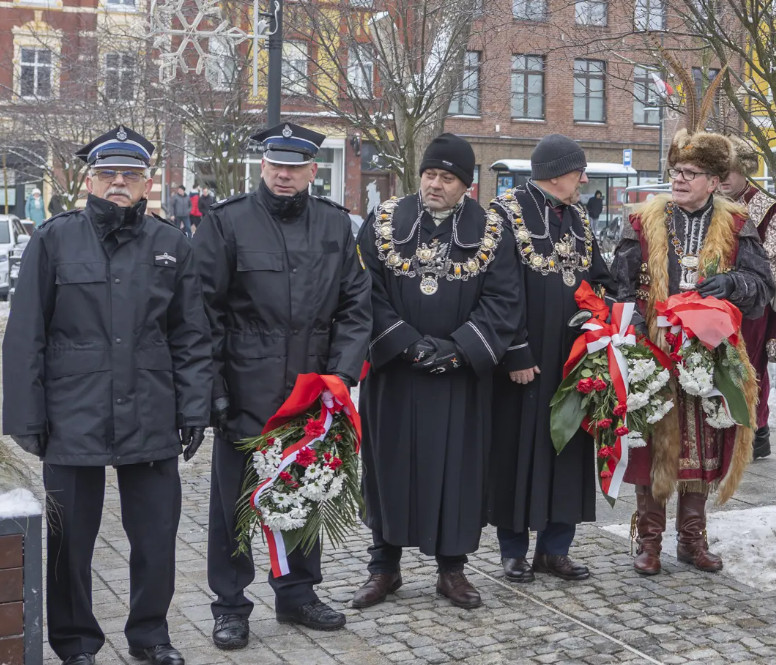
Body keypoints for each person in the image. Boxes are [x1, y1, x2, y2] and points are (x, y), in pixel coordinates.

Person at [3, 126, 213, 665]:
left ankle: (150, 635)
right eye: (107, 174)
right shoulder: (53, 240)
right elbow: (26, 333)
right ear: (88, 180)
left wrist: (194, 408)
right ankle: (75, 642)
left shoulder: (171, 245)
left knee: (155, 534)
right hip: (73, 412)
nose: (118, 183)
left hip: (151, 408)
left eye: (131, 175)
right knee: (70, 539)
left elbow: (191, 334)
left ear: (147, 183)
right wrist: (25, 414)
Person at [194, 123, 371, 650]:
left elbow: (356, 308)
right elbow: (203, 312)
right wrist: (214, 390)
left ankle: (297, 594)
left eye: (296, 166)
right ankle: (230, 604)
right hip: (245, 391)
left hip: (311, 392)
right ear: (262, 165)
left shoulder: (336, 226)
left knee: (306, 492)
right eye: (277, 165)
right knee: (233, 506)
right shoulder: (227, 224)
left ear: (313, 170)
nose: (285, 174)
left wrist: (340, 376)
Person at [352, 133, 520, 610]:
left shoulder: (491, 230)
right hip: (396, 376)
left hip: (459, 381)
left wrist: (459, 349)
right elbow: (364, 288)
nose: (435, 184)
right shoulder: (384, 219)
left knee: (459, 472)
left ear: (466, 185)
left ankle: (452, 570)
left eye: (447, 178)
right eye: (429, 175)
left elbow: (505, 300)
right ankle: (383, 567)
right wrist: (403, 344)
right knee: (388, 467)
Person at [612, 127, 773, 576]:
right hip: (656, 349)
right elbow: (619, 286)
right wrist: (640, 331)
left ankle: (691, 539)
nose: (680, 179)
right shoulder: (643, 222)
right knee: (655, 447)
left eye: (691, 172)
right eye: (676, 171)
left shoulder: (738, 225)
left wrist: (733, 283)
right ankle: (648, 542)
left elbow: (763, 289)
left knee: (702, 447)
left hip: (711, 352)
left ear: (715, 181)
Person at [486, 135, 615, 585]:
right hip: (526, 359)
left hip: (573, 357)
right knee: (519, 450)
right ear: (559, 172)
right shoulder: (503, 213)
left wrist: (610, 315)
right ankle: (514, 550)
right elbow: (498, 289)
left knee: (568, 450)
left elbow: (597, 274)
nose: (584, 179)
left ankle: (555, 549)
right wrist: (514, 349)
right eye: (579, 171)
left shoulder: (578, 215)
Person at [720, 136, 776, 460]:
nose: (722, 180)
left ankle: (755, 432)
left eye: (728, 173)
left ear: (743, 171)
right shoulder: (712, 203)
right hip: (714, 305)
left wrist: (741, 286)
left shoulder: (766, 207)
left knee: (748, 368)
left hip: (751, 308)